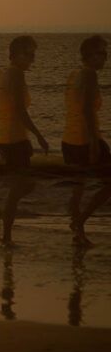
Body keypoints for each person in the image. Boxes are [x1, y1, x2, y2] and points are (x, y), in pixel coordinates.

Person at [0, 35, 48, 247]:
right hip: (14, 138)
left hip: (4, 137)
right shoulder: (16, 75)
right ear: (15, 54)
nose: (32, 58)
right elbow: (21, 111)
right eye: (28, 54)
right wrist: (39, 135)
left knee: (25, 185)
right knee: (20, 186)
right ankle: (6, 236)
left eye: (33, 54)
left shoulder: (0, 74)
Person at [62, 35, 110, 246]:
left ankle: (77, 232)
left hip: (69, 139)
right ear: (89, 55)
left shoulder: (74, 74)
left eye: (106, 54)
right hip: (85, 139)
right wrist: (93, 143)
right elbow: (87, 111)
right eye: (102, 53)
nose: (105, 58)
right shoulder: (90, 75)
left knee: (78, 187)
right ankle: (79, 222)